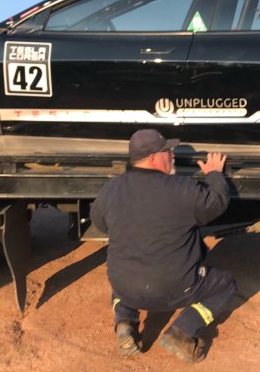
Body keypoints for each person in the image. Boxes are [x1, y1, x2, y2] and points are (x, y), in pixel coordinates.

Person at [90, 128, 236, 363]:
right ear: (153, 158)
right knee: (225, 285)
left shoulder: (111, 189)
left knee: (124, 276)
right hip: (177, 289)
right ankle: (183, 330)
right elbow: (216, 203)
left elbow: (100, 222)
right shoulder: (181, 188)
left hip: (126, 287)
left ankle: (125, 322)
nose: (172, 155)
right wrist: (214, 175)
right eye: (168, 151)